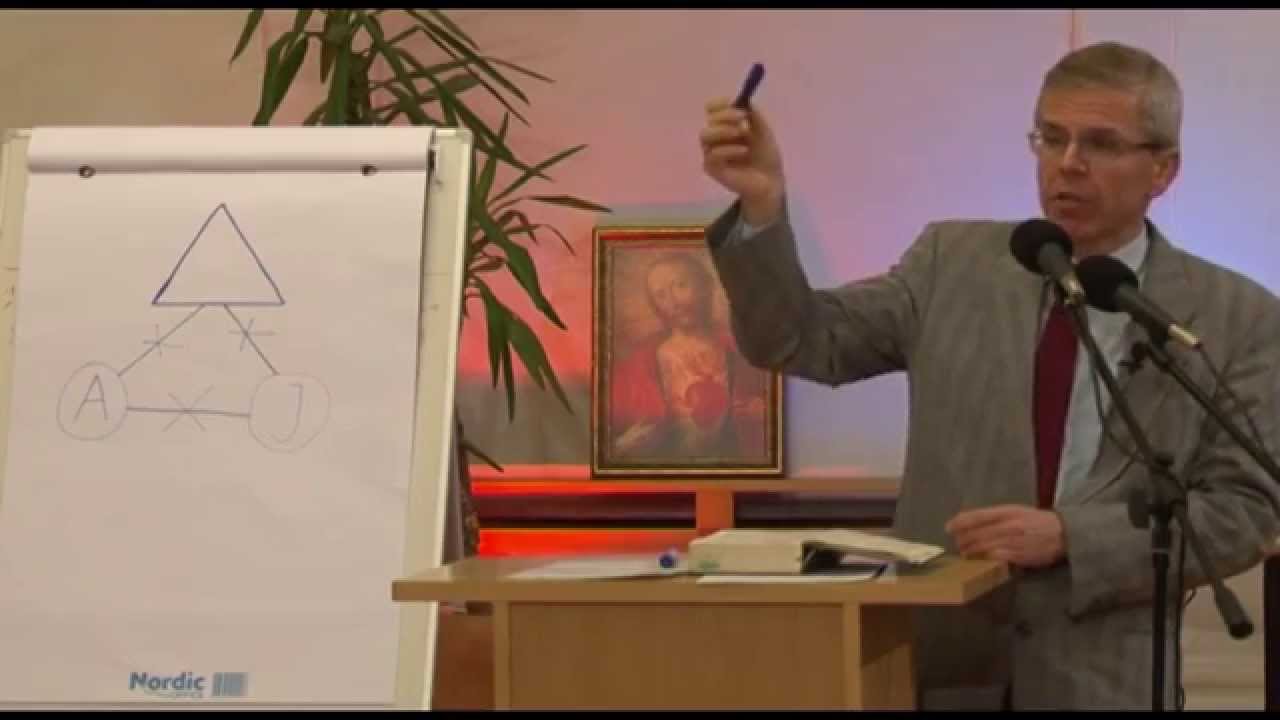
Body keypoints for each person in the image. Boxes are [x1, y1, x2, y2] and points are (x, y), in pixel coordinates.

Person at [698, 41, 1280, 710]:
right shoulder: (951, 263)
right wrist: (762, 207)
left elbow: (1244, 511)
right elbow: (797, 340)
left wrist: (1071, 538)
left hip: (1104, 680)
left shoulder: (1236, 317)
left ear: (1163, 169)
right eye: (1051, 138)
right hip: (944, 666)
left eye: (1100, 143)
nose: (1068, 164)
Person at [609, 252, 768, 462]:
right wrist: (624, 444)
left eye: (680, 285)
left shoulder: (741, 350)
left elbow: (771, 410)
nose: (673, 301)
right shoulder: (641, 363)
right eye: (660, 295)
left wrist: (764, 412)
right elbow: (614, 436)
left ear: (705, 287)